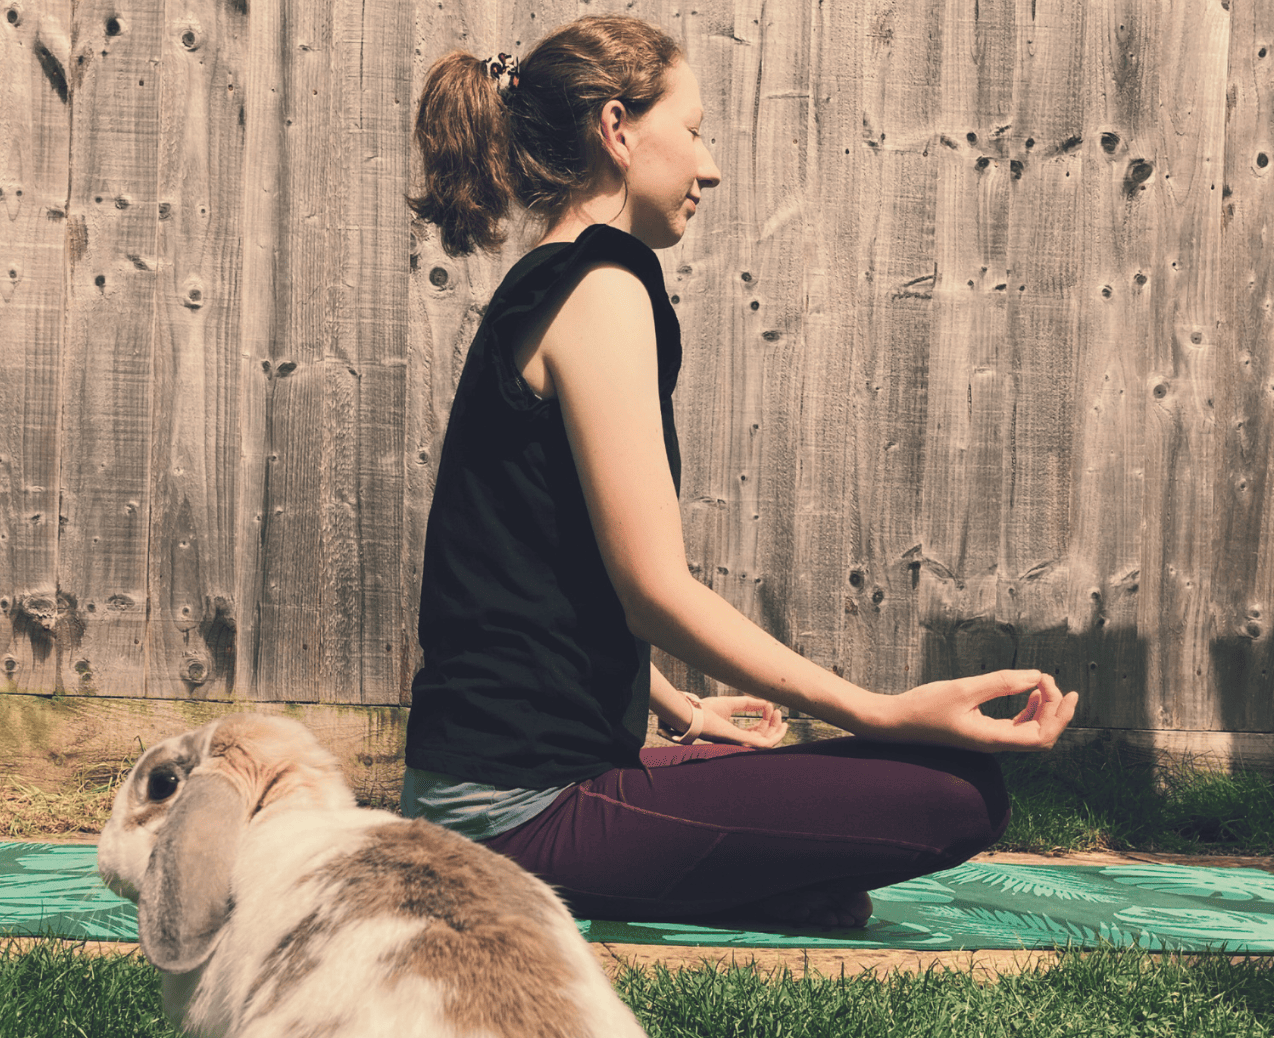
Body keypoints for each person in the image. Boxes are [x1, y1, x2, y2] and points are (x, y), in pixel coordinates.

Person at [402, 16, 1078, 928]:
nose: (709, 165)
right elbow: (653, 593)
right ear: (617, 129)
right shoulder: (600, 288)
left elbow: (539, 567)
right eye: (694, 129)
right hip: (506, 822)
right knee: (956, 796)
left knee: (827, 836)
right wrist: (877, 711)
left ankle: (747, 875)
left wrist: (679, 710)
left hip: (498, 791)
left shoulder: (550, 279)